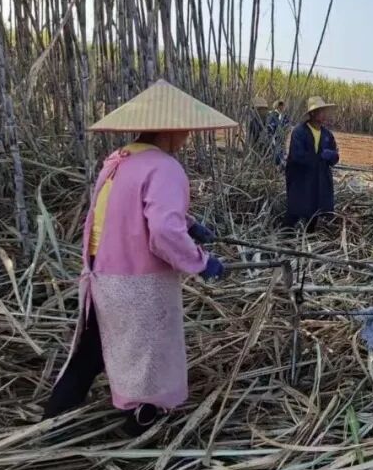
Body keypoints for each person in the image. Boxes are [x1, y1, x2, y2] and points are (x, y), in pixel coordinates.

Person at [43, 79, 237, 435]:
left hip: (102, 274)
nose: (186, 137)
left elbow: (125, 211)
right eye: (184, 131)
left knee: (92, 348)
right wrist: (200, 261)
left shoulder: (119, 160)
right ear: (169, 130)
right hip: (139, 283)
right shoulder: (164, 167)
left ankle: (53, 418)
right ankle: (140, 423)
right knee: (150, 357)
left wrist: (189, 224)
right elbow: (162, 232)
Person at [285, 96, 339, 229]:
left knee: (315, 210)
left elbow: (334, 158)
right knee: (295, 209)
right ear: (313, 113)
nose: (324, 114)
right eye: (321, 111)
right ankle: (286, 234)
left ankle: (309, 234)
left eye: (325, 111)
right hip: (301, 178)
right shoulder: (299, 132)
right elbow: (297, 156)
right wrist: (319, 157)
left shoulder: (327, 135)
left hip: (319, 179)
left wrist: (333, 156)